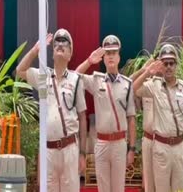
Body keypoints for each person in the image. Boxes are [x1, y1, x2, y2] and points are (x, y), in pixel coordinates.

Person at [16, 29, 87, 192]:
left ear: (70, 55)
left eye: (65, 43)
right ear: (52, 54)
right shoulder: (43, 77)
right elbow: (20, 70)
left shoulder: (76, 80)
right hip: (49, 150)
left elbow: (83, 117)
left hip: (70, 148)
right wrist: (35, 51)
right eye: (57, 43)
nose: (60, 45)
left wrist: (82, 153)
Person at [75, 35, 136, 192]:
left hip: (120, 144)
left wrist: (132, 148)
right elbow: (74, 77)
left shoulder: (127, 84)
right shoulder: (96, 81)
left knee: (118, 188)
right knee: (103, 188)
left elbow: (131, 119)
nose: (110, 56)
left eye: (113, 53)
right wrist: (89, 61)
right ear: (103, 58)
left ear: (119, 57)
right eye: (107, 53)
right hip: (101, 143)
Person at [133, 44, 183, 192]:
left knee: (179, 189)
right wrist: (147, 72)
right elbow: (133, 87)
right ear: (161, 65)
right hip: (161, 147)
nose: (168, 67)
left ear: (176, 65)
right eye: (165, 63)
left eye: (171, 63)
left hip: (179, 147)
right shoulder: (154, 86)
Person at [129, 58, 156, 192]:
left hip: (164, 141)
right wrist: (144, 69)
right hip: (149, 139)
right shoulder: (145, 86)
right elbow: (129, 85)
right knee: (148, 181)